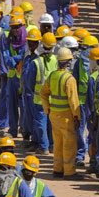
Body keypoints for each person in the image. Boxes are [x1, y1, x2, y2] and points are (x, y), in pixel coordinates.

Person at [40, 48, 81, 176]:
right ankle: (69, 171)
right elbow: (74, 101)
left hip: (54, 115)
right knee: (69, 143)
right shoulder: (69, 79)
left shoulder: (52, 75)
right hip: (66, 116)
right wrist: (77, 116)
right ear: (68, 62)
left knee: (57, 142)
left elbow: (43, 93)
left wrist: (47, 109)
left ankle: (58, 169)